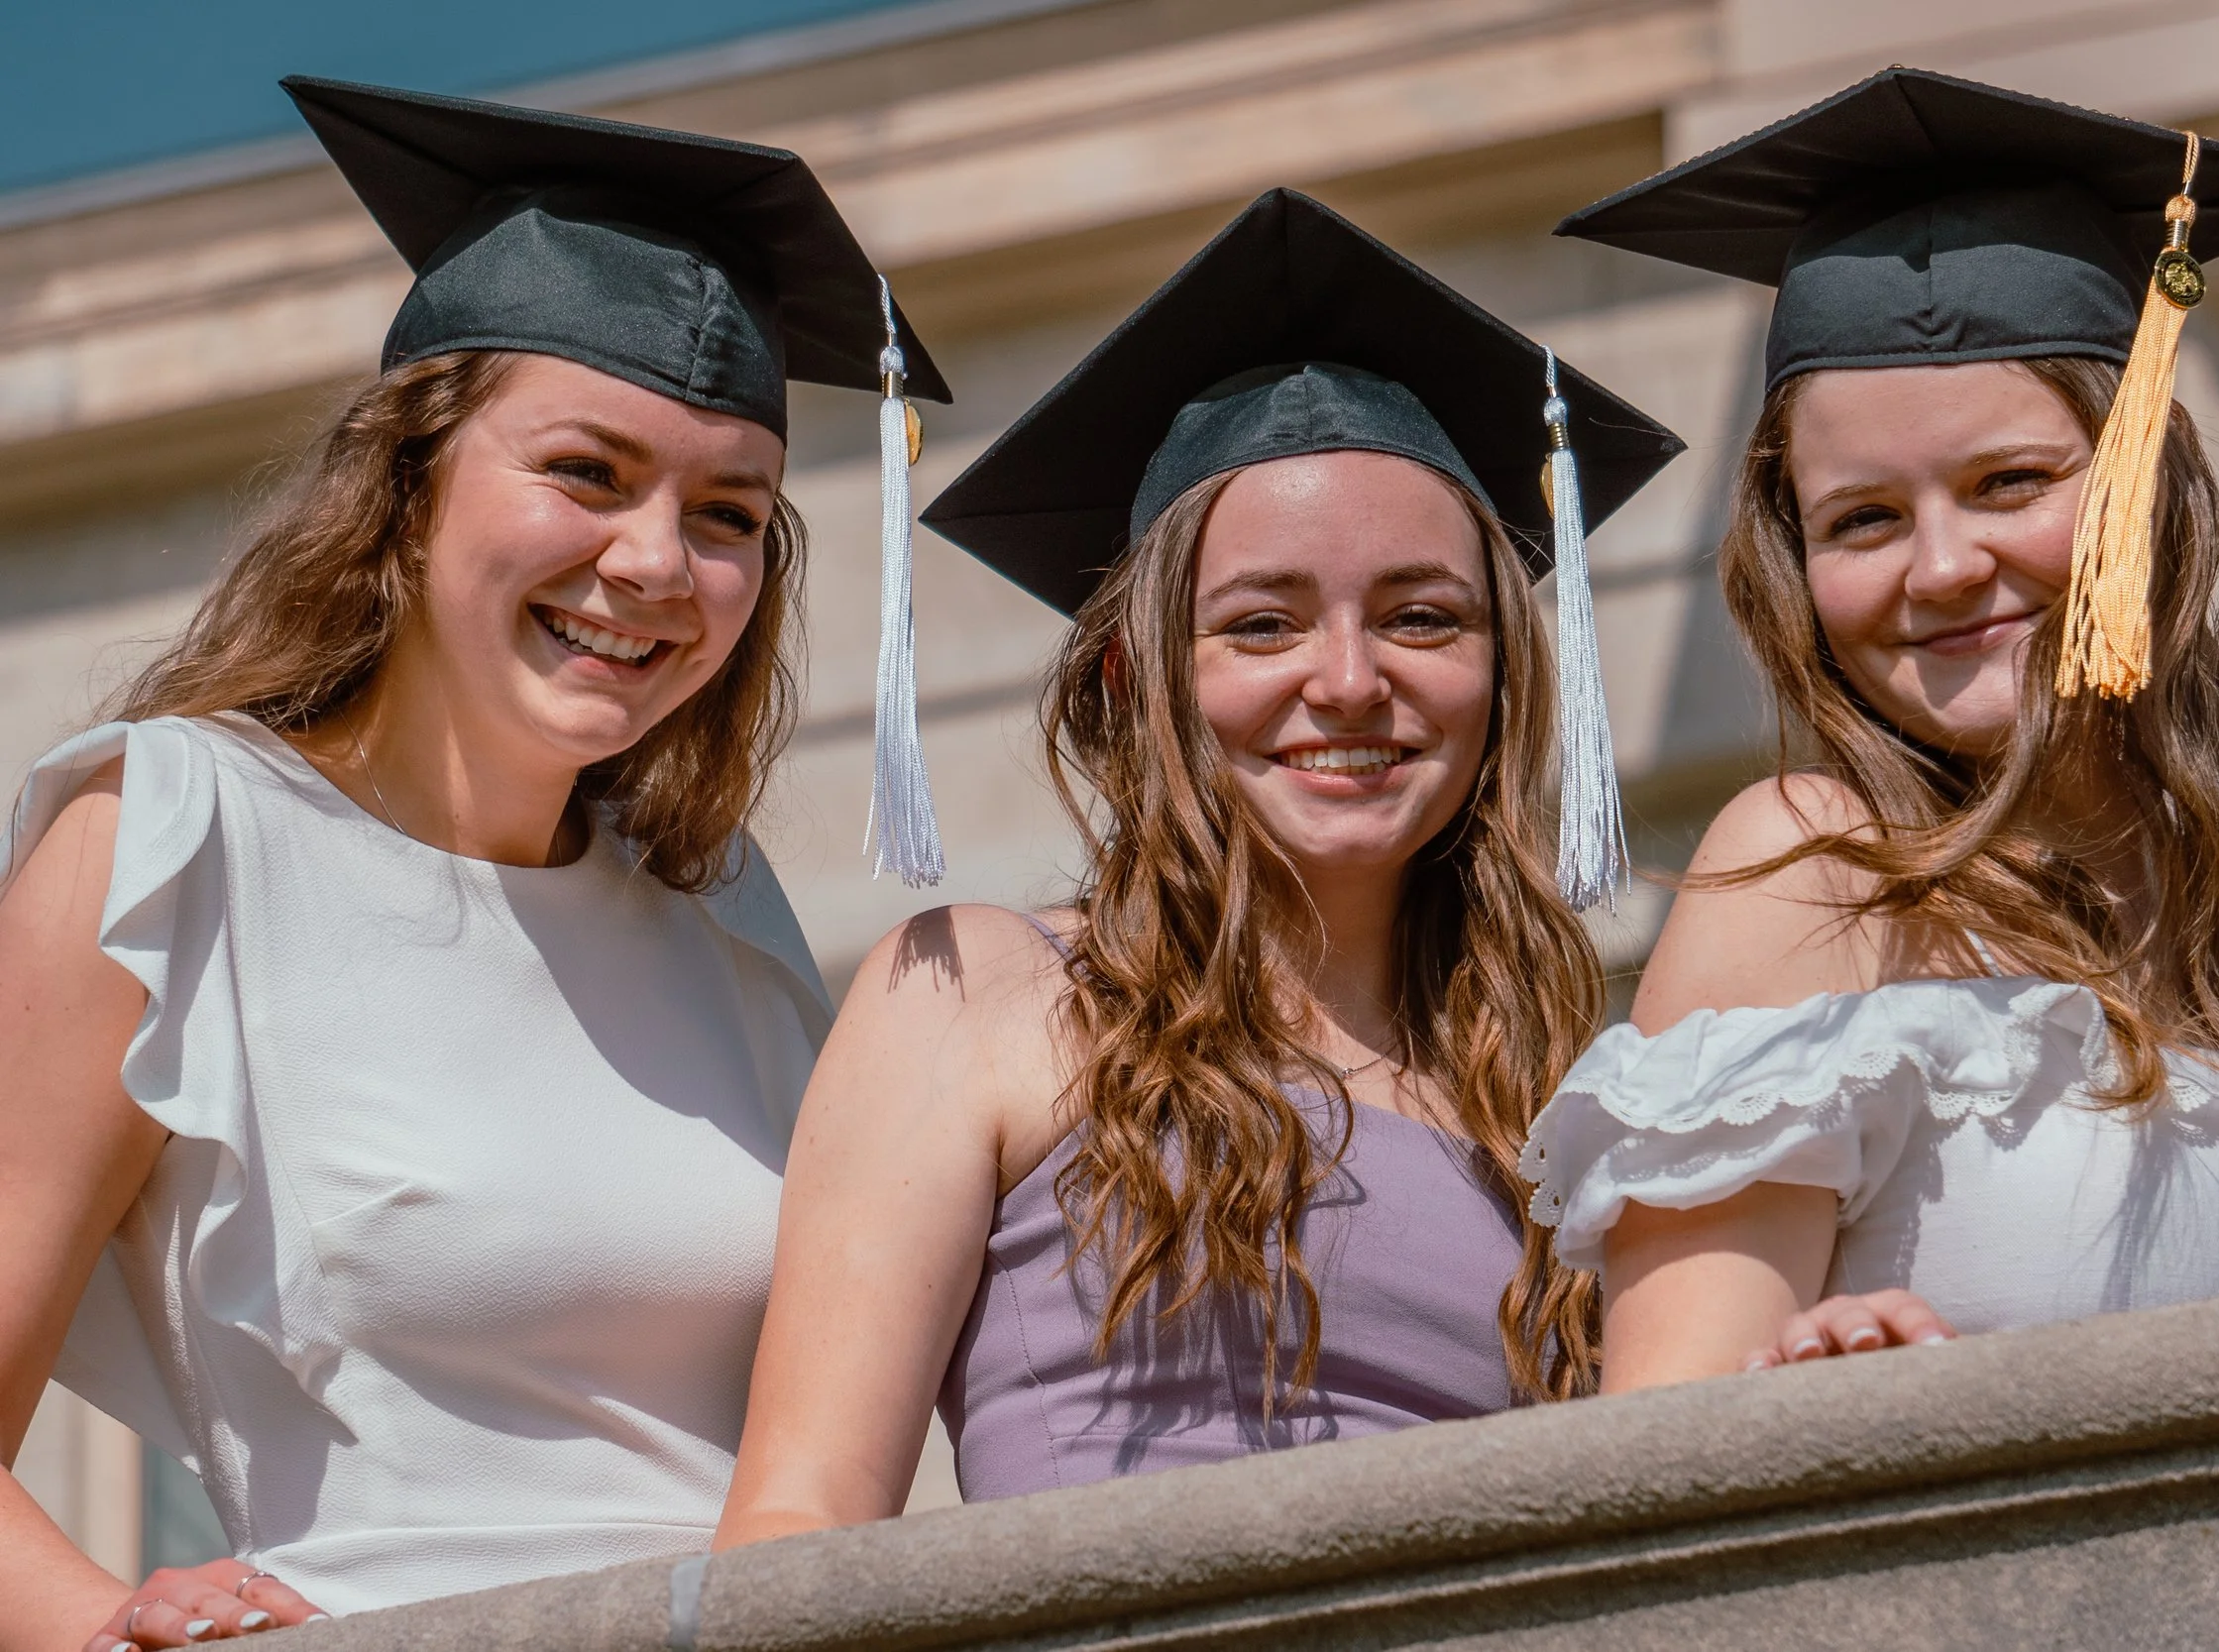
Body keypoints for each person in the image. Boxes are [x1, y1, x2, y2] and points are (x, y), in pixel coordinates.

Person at [0, 76, 947, 1646]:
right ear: (411, 477)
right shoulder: (171, 838)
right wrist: (100, 1625)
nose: (655, 562)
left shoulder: (724, 910)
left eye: (727, 513)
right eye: (586, 471)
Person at [713, 188, 1682, 1539]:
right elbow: (804, 1515)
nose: (1349, 679)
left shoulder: (1552, 1104)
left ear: (1505, 671)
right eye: (1263, 623)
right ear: (1141, 670)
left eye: (1420, 615)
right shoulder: (988, 992)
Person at [1519, 68, 2219, 1392]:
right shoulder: (1820, 873)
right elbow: (1666, 1451)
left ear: (2145, 482)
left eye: (2008, 483)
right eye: (1862, 518)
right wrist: (1815, 1395)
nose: (1944, 565)